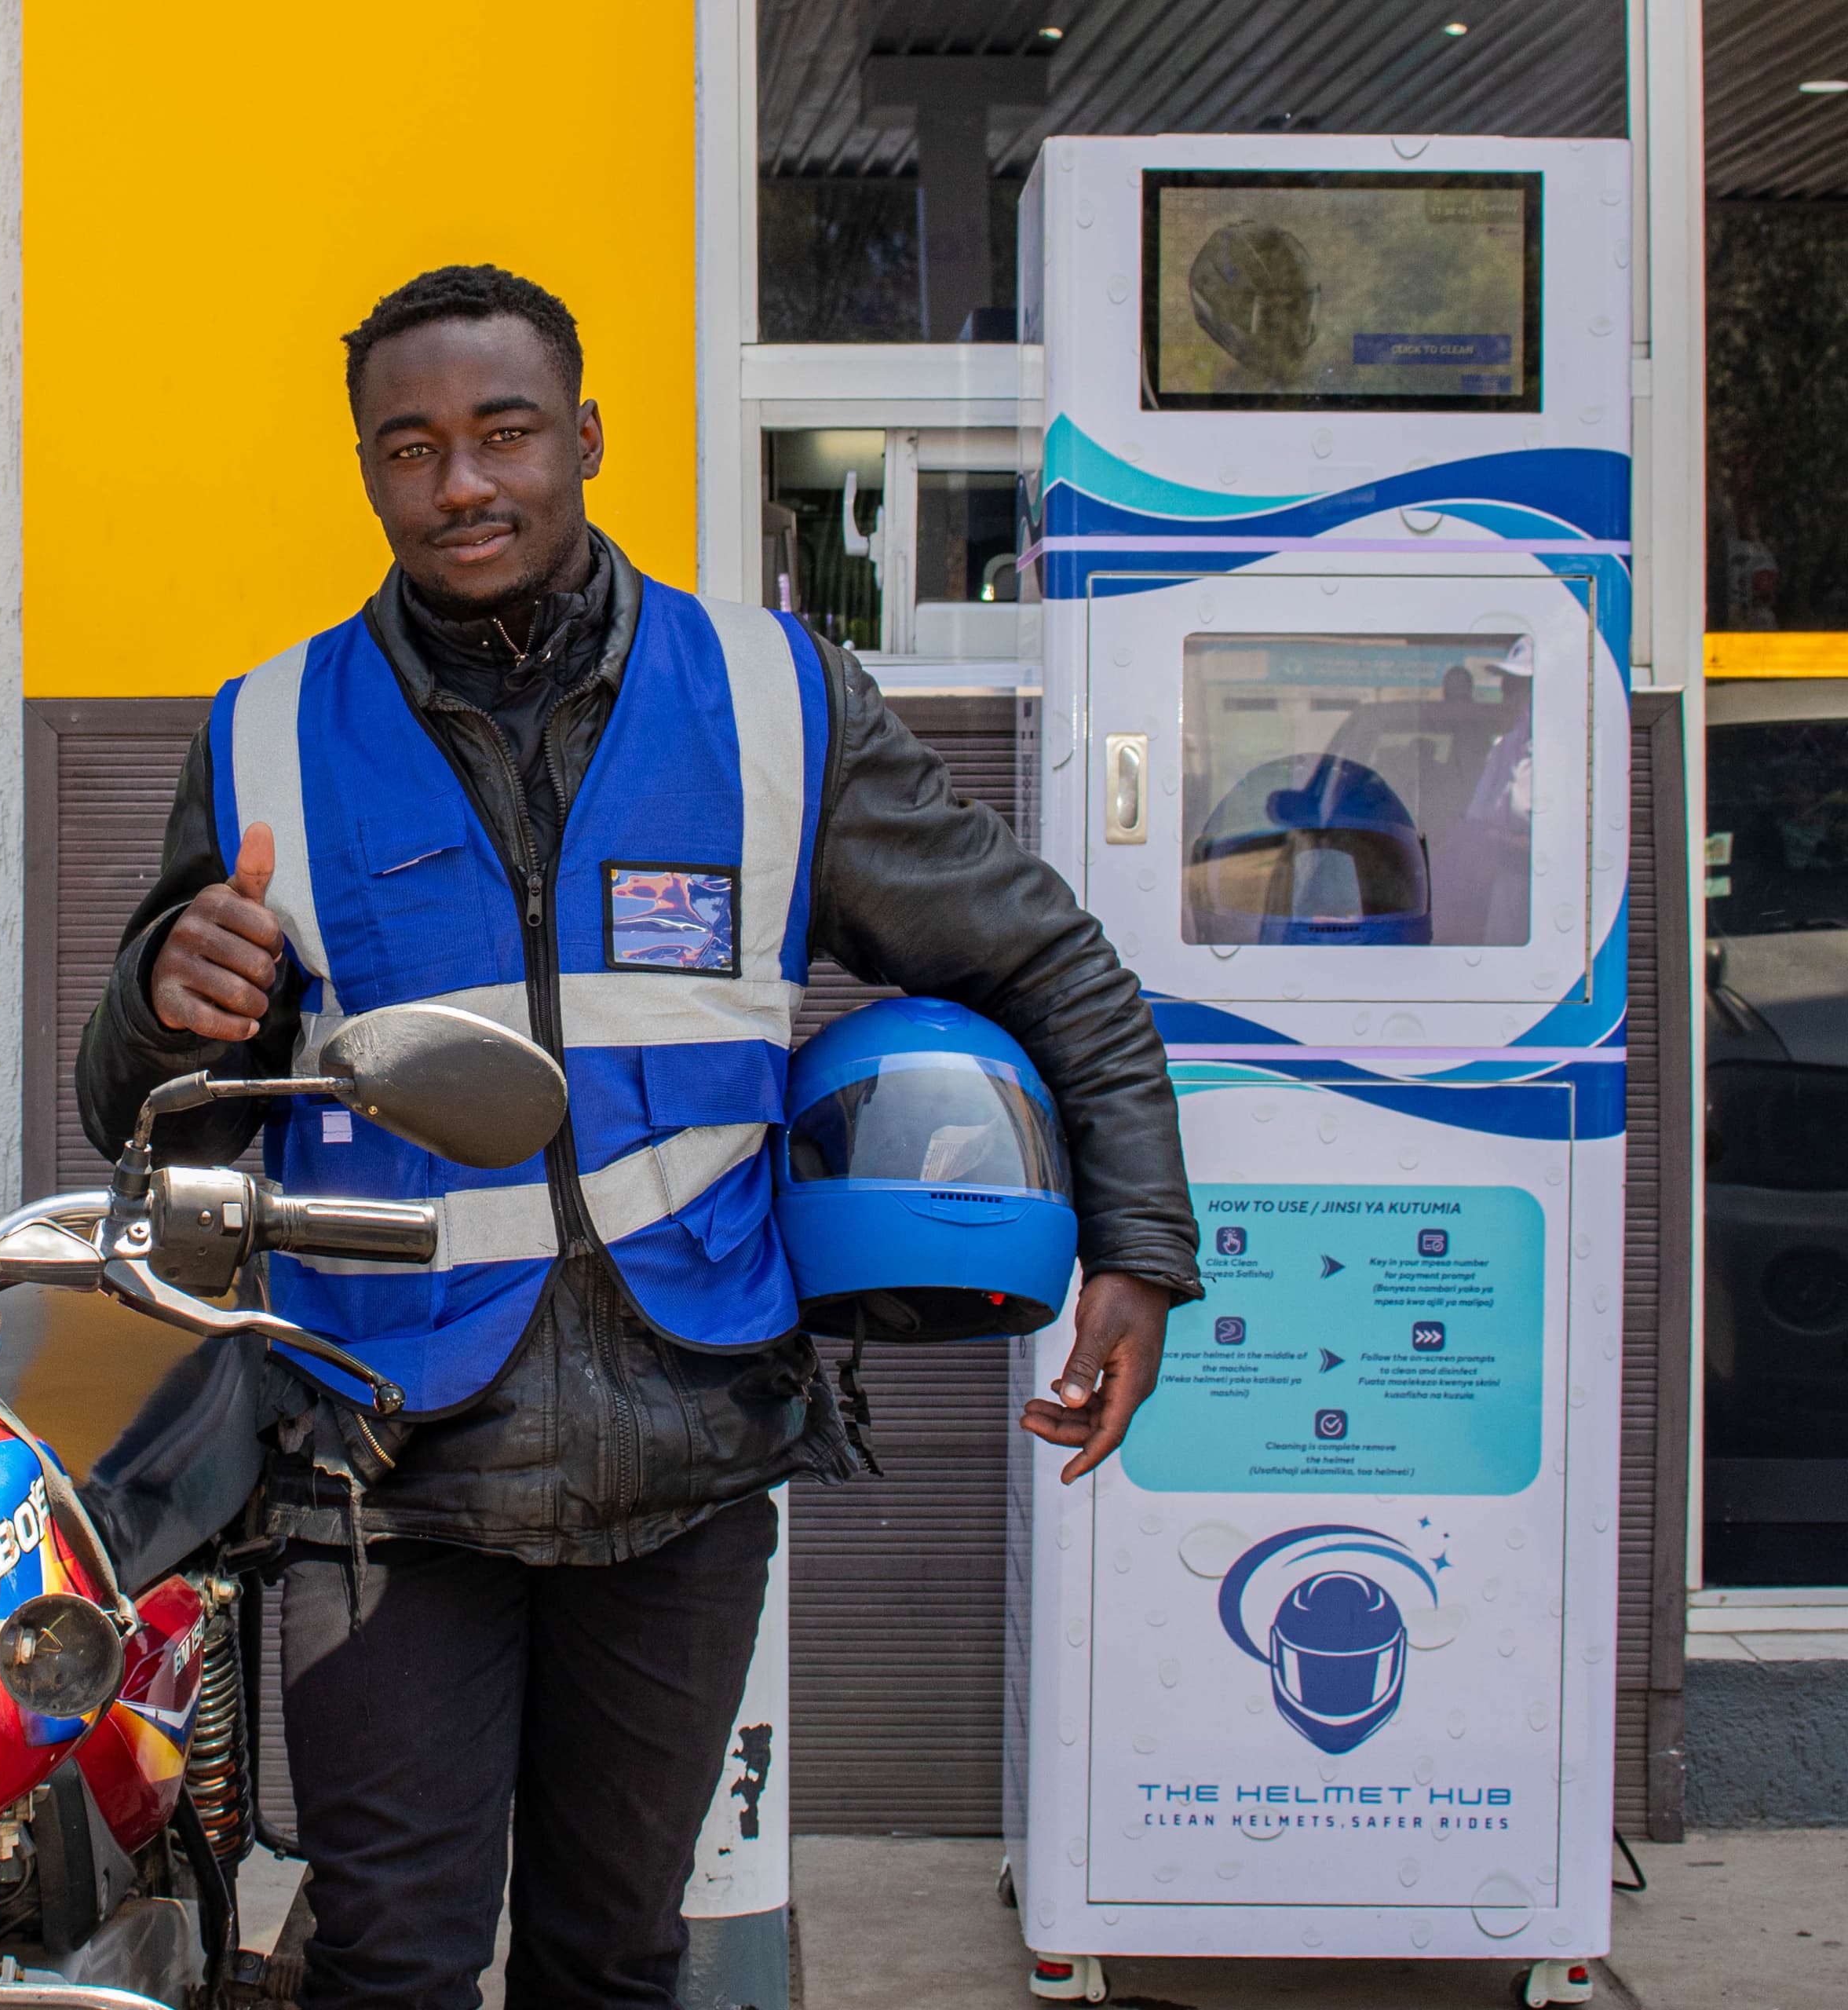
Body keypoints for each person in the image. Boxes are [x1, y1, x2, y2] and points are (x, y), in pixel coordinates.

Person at [73, 264, 1201, 2010]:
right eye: (411, 448)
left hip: (687, 1452)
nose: (462, 482)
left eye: (504, 431)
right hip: (388, 1471)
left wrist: (1137, 1244)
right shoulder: (270, 730)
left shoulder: (774, 700)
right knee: (390, 1960)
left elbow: (1050, 963)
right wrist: (167, 1001)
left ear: (587, 437)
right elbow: (138, 1109)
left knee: (615, 1956)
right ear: (365, 470)